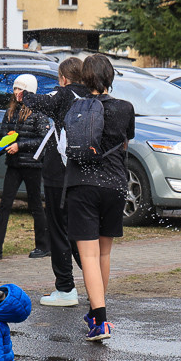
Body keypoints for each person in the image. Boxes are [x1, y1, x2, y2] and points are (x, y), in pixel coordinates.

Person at [64, 54, 135, 341]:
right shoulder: (125, 107)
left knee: (89, 255)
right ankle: (97, 313)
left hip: (83, 184)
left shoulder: (77, 107)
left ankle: (100, 321)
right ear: (110, 77)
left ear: (84, 78)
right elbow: (125, 141)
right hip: (116, 184)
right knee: (104, 253)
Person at [21, 57, 89, 307]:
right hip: (83, 172)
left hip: (58, 173)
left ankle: (65, 288)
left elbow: (40, 101)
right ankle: (96, 282)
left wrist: (23, 93)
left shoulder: (63, 95)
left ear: (63, 78)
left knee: (59, 230)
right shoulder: (91, 97)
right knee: (80, 231)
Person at [0, 74, 50, 260]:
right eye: (15, 89)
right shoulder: (10, 111)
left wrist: (20, 146)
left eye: (21, 89)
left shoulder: (39, 112)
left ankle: (43, 245)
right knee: (5, 204)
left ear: (30, 91)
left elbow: (43, 139)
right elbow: (3, 140)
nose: (17, 92)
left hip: (32, 165)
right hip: (14, 164)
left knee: (35, 205)